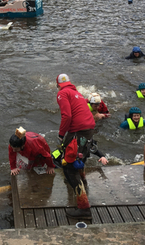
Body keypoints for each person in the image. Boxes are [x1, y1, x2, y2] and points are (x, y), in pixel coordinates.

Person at [55, 74, 95, 218]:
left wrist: (61, 134)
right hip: (89, 129)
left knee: (69, 168)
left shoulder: (62, 93)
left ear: (58, 84)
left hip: (78, 130)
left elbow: (67, 116)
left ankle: (84, 208)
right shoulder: (76, 93)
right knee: (80, 157)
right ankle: (82, 180)